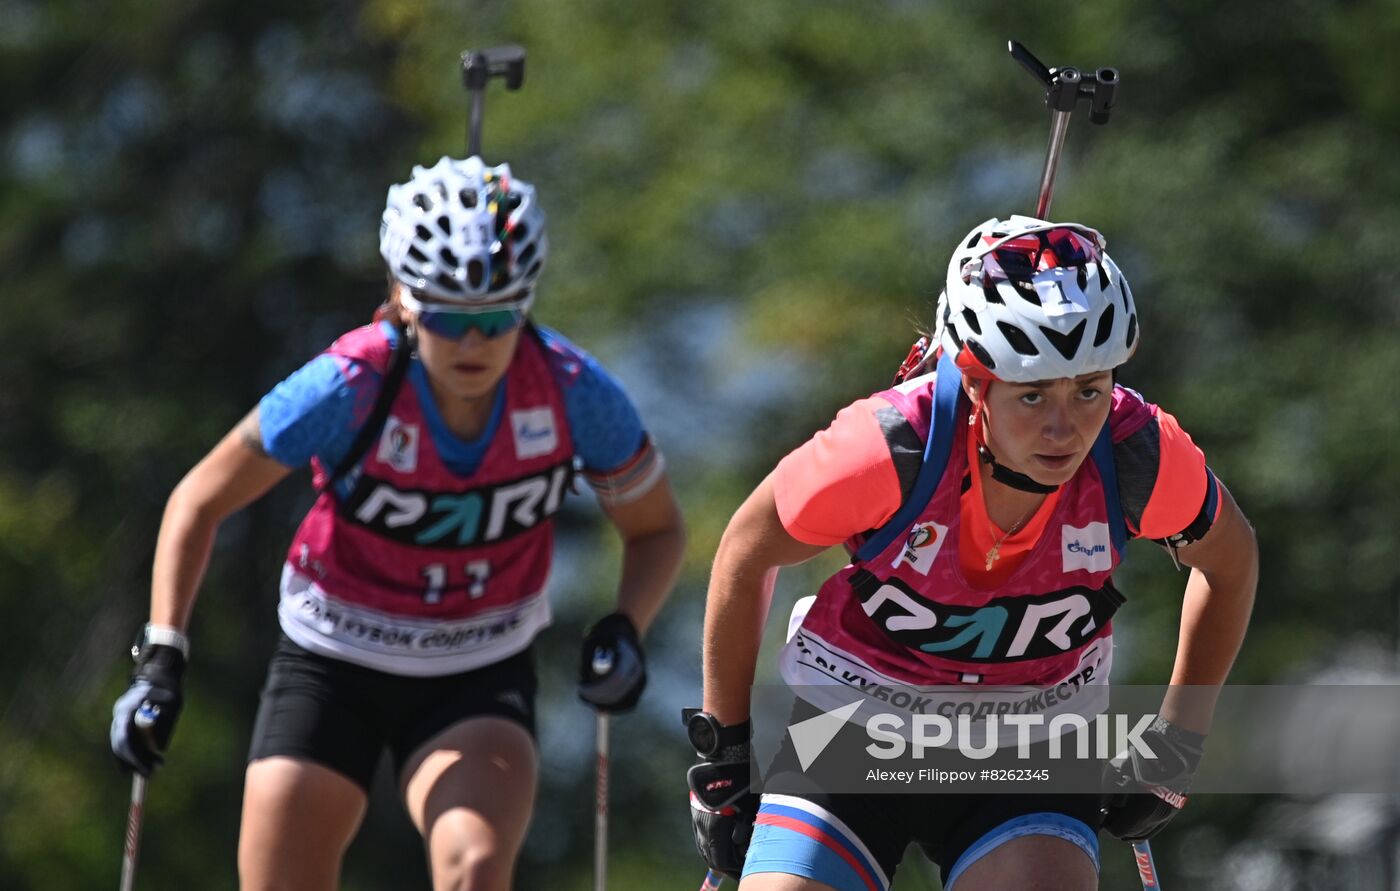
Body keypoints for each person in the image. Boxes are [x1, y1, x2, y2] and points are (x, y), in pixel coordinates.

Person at [111, 155, 686, 891]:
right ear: (403, 300)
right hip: (332, 657)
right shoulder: (350, 383)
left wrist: (625, 625)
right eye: (449, 318)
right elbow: (200, 498)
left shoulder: (573, 393)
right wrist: (162, 655)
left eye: (496, 317)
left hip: (475, 668)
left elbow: (658, 529)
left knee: (475, 866)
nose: (473, 343)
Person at [686, 216, 1257, 890]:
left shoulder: (1137, 454)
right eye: (1033, 393)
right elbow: (746, 552)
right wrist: (722, 755)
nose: (1064, 427)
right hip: (854, 733)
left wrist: (1177, 740)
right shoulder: (887, 449)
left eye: (1090, 390)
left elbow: (1230, 561)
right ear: (975, 377)